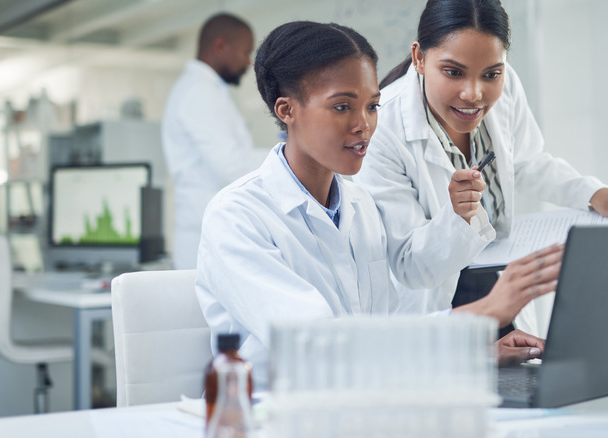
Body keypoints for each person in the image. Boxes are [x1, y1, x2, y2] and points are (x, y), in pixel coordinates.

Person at [195, 20, 564, 391]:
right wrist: (482, 313)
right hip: (278, 416)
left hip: (363, 404)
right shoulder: (237, 216)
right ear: (287, 110)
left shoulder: (359, 207)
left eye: (372, 106)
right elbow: (318, 344)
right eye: (342, 107)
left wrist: (472, 352)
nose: (364, 125)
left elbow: (385, 333)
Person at [353, 0, 608, 325]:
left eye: (491, 74)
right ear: (420, 58)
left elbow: (523, 161)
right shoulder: (381, 128)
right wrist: (458, 216)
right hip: (438, 308)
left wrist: (590, 193)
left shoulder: (507, 86)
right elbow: (409, 266)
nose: (474, 93)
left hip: (500, 287)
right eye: (453, 72)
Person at [162, 13, 268, 269]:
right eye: (245, 52)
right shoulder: (199, 92)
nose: (248, 61)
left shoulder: (205, 91)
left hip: (210, 233)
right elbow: (231, 168)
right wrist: (290, 155)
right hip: (205, 238)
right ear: (220, 46)